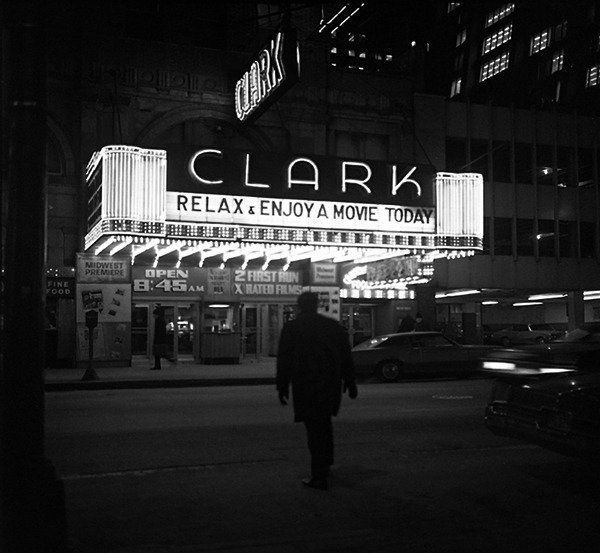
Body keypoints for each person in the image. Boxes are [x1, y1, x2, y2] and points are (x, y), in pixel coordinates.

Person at [276, 291, 358, 491]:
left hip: (306, 385)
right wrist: (350, 381)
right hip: (330, 384)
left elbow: (284, 359)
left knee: (314, 431)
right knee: (324, 426)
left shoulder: (293, 327)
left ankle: (319, 476)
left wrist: (282, 386)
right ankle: (326, 465)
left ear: (300, 305)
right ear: (317, 305)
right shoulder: (332, 326)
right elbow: (345, 355)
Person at [151, 306, 170, 370]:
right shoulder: (162, 321)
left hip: (158, 340)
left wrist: (155, 341)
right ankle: (158, 365)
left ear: (156, 315)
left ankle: (157, 366)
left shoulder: (158, 321)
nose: (153, 316)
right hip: (161, 340)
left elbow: (158, 332)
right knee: (158, 354)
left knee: (157, 354)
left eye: (154, 315)